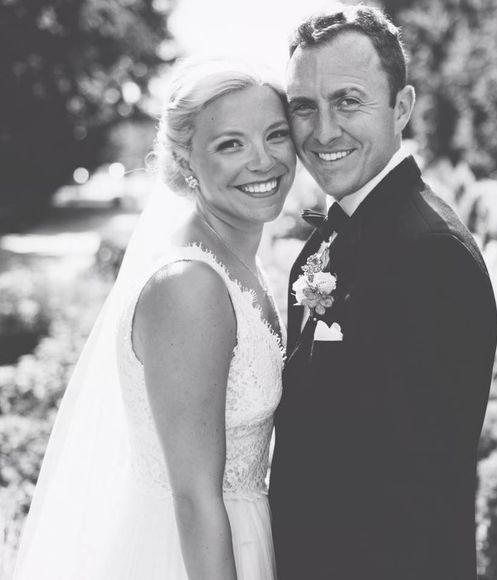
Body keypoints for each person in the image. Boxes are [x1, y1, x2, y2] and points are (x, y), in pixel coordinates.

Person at [13, 57, 296, 580]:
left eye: (275, 135)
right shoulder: (189, 285)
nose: (263, 160)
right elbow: (193, 497)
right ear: (186, 162)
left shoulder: (238, 262)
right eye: (230, 144)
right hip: (193, 554)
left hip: (246, 532)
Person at [269, 6, 497, 579]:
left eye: (348, 101)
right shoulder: (337, 235)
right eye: (304, 107)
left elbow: (413, 499)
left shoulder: (430, 254)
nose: (323, 131)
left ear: (401, 108)